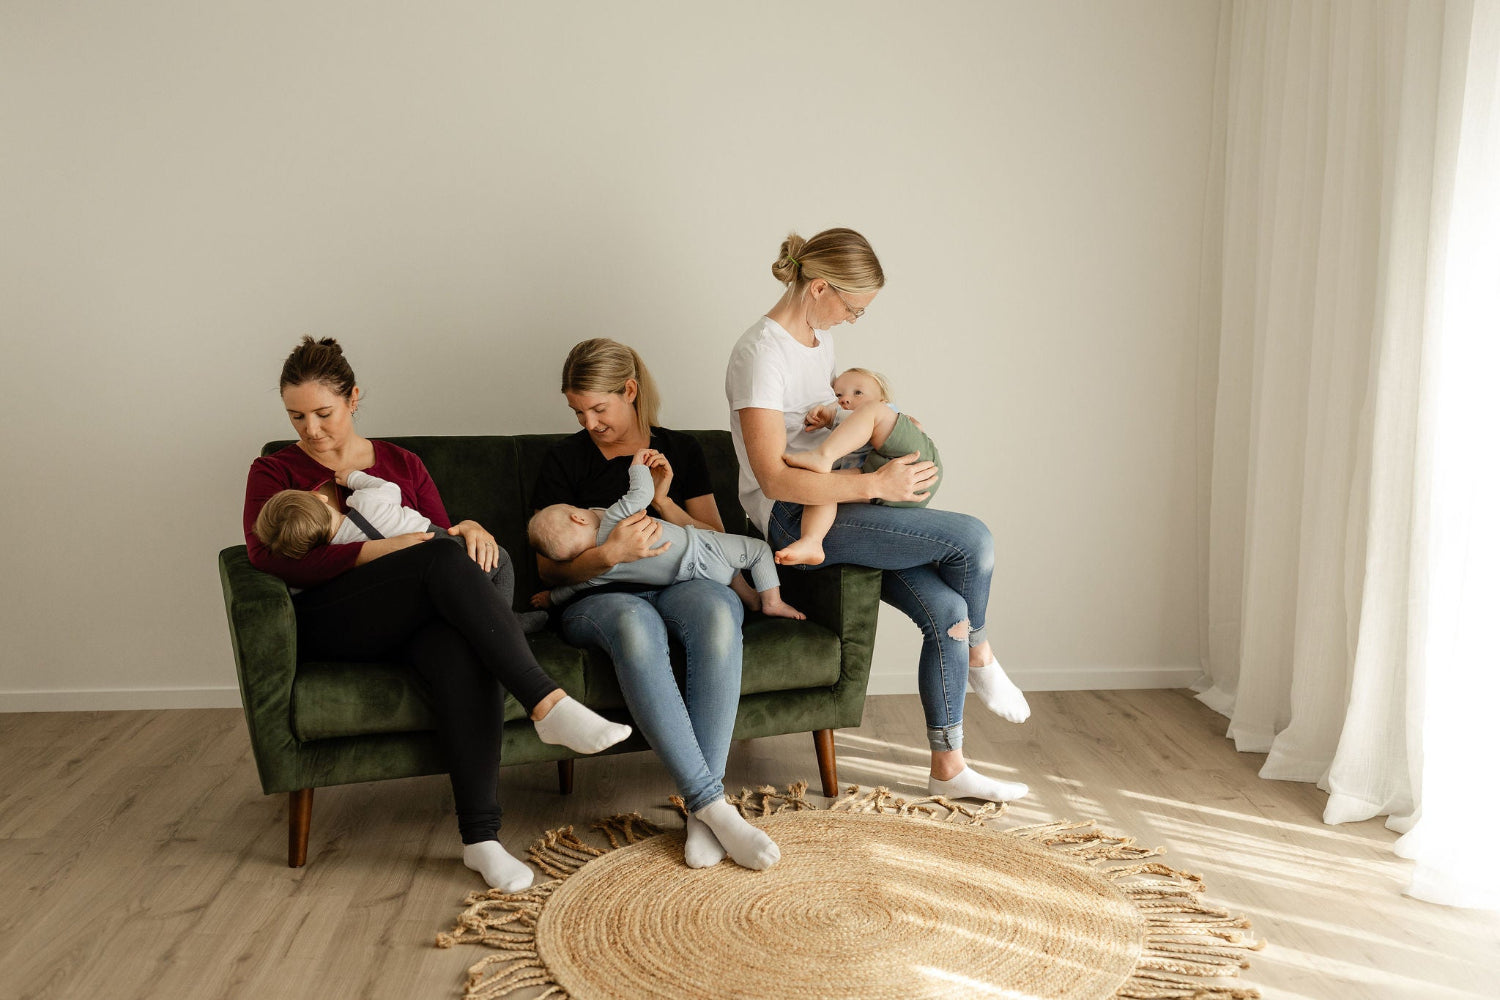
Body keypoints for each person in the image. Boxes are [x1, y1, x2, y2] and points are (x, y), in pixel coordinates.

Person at [243, 336, 631, 892]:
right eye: (296, 416)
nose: (310, 429)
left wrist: (468, 528)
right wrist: (389, 550)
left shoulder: (401, 463)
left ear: (354, 399)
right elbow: (267, 555)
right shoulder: (274, 471)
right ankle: (547, 702)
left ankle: (482, 839)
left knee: (459, 648)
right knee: (435, 561)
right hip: (338, 619)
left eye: (322, 413)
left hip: (415, 618)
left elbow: (443, 546)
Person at [725, 228, 1031, 804]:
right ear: (819, 287)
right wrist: (874, 483)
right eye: (853, 308)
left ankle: (949, 767)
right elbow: (772, 476)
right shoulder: (759, 354)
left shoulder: (818, 340)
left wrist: (881, 430)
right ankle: (982, 651)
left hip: (836, 500)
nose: (852, 319)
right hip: (795, 516)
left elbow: (832, 428)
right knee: (973, 539)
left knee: (947, 609)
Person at [532, 338, 780, 871]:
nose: (590, 422)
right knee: (636, 622)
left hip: (684, 578)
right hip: (599, 596)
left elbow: (714, 539)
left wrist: (664, 500)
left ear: (630, 390)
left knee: (717, 613)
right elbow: (548, 569)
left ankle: (700, 814)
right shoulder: (562, 461)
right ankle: (712, 805)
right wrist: (607, 555)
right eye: (578, 411)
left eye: (599, 408)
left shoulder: (680, 450)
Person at [528, 448, 804, 620]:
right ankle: (772, 601)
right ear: (577, 516)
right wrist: (637, 466)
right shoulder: (612, 520)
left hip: (690, 577)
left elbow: (572, 588)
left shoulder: (597, 570)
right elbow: (642, 494)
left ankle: (753, 600)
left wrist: (549, 599)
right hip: (702, 548)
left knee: (731, 572)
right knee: (758, 550)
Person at [254, 471, 547, 631]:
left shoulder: (337, 554)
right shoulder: (368, 502)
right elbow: (389, 487)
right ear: (321, 497)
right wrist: (353, 477)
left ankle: (493, 620)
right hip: (446, 547)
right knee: (501, 558)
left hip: (421, 589)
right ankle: (508, 623)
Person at [777, 367, 944, 567]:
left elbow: (904, 426)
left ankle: (822, 457)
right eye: (838, 395)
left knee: (872, 412)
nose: (845, 399)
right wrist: (828, 418)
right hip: (885, 483)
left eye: (858, 393)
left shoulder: (883, 410)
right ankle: (812, 541)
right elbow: (848, 423)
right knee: (824, 487)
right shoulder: (845, 426)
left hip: (918, 464)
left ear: (884, 400)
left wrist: (909, 425)